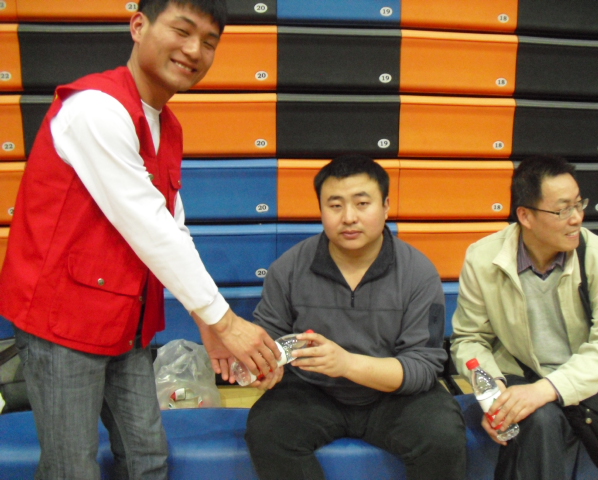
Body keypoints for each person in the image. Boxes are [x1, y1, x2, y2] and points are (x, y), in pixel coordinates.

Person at [0, 0, 280, 478]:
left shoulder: (165, 124)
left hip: (123, 320)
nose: (194, 51)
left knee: (148, 457)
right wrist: (228, 322)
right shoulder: (95, 108)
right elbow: (149, 226)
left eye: (209, 43)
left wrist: (207, 323)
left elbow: (172, 225)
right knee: (71, 469)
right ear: (138, 26)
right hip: (61, 321)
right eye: (182, 31)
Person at [243, 154, 467, 480]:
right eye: (335, 206)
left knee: (443, 435)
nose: (349, 217)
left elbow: (423, 367)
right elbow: (268, 341)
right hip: (311, 392)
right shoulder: (288, 268)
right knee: (267, 431)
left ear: (386, 206)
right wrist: (263, 368)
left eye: (362, 204)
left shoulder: (419, 273)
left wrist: (346, 364)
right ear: (321, 209)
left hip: (395, 398)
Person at [450, 155, 598, 479]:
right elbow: (470, 338)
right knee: (538, 419)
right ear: (526, 215)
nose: (577, 218)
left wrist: (546, 389)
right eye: (562, 210)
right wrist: (494, 394)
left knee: (540, 418)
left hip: (585, 378)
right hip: (518, 374)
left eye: (579, 204)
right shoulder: (483, 257)